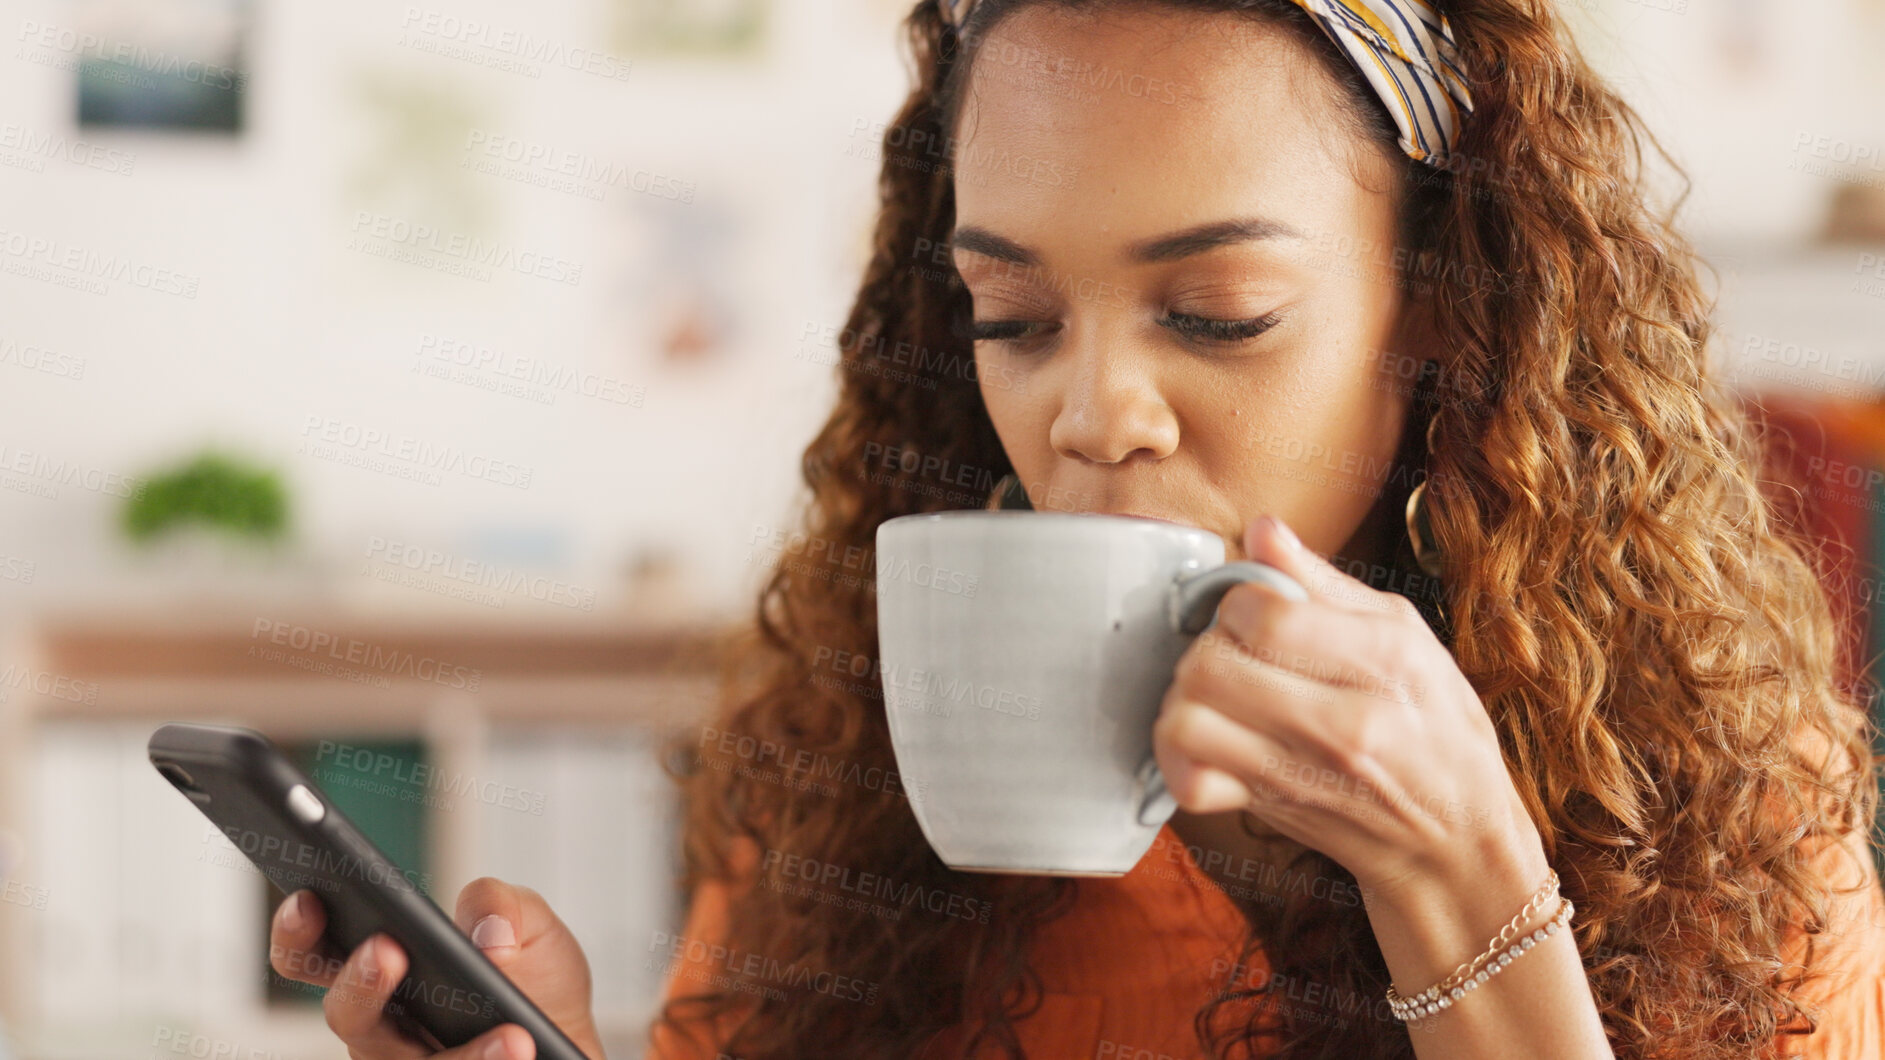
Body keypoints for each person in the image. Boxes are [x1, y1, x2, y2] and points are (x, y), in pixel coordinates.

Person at [265, 0, 1885, 1057]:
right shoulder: (845, 804)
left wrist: (1464, 884)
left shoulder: (1722, 819)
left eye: (1217, 311)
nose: (1093, 413)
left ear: (1445, 312)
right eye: (1014, 319)